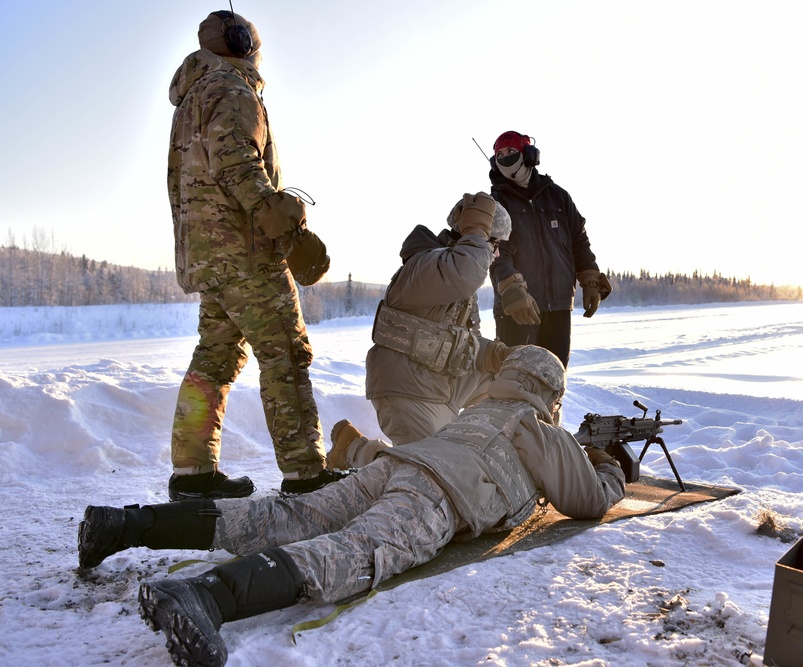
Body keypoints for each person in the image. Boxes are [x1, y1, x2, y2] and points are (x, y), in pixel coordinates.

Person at [77, 346, 626, 667]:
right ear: (552, 391)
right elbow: (588, 501)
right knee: (355, 551)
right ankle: (205, 598)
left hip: (398, 466)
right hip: (438, 495)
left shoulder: (481, 408)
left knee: (282, 517)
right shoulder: (538, 428)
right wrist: (610, 465)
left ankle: (123, 524)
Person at [166, 10, 339, 500]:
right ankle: (306, 474)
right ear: (244, 45)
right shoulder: (234, 90)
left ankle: (193, 473)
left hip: (208, 257)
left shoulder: (191, 98)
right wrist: (283, 228)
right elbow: (238, 165)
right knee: (285, 352)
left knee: (215, 358)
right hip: (245, 253)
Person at [355, 192, 514, 457]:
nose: (496, 253)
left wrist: (499, 356)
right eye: (494, 243)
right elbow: (465, 273)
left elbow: (464, 342)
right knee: (435, 478)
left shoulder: (451, 275)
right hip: (410, 392)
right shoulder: (426, 266)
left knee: (506, 382)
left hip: (442, 385)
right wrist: (477, 232)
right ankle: (356, 451)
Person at [488, 130, 613, 368]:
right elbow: (494, 252)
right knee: (515, 382)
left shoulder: (557, 197)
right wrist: (511, 290)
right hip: (518, 308)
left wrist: (590, 281)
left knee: (554, 379)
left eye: (511, 152)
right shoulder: (494, 204)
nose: (505, 157)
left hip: (558, 305)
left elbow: (578, 240)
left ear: (529, 155)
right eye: (500, 154)